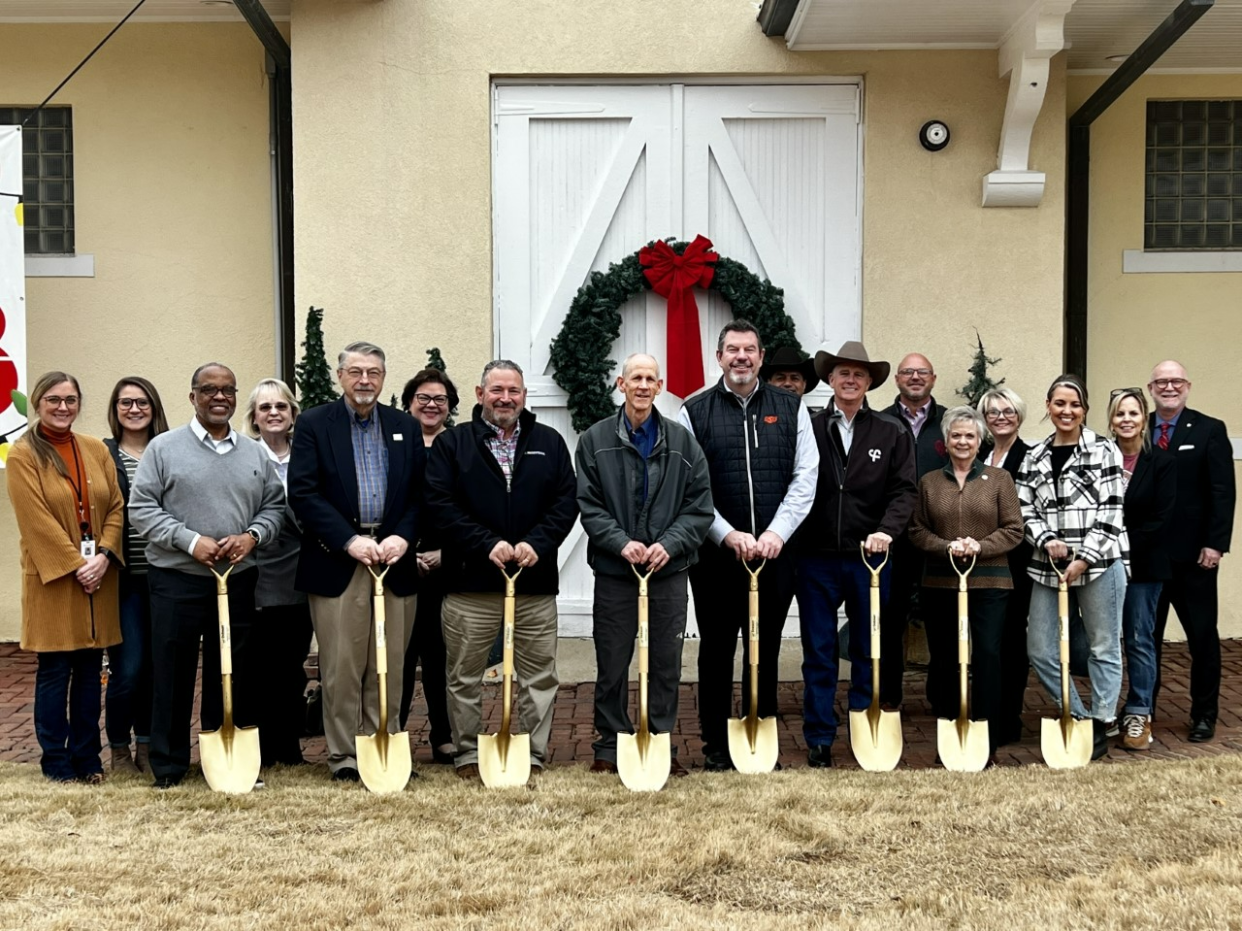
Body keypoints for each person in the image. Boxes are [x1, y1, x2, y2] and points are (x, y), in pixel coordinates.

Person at [129, 363, 284, 788]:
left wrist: (252, 536)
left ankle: (224, 760)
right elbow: (141, 510)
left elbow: (275, 508)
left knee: (231, 671)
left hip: (237, 578)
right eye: (209, 390)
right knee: (172, 671)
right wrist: (189, 540)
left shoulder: (255, 453)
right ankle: (169, 765)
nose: (219, 397)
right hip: (178, 578)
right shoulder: (164, 448)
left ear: (236, 397)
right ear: (193, 395)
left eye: (228, 390)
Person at [425, 360, 578, 781]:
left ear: (525, 396)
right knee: (464, 675)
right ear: (480, 394)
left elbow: (565, 501)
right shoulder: (453, 445)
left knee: (538, 676)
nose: (505, 398)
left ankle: (530, 753)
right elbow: (440, 505)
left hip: (533, 584)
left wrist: (537, 543)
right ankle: (469, 755)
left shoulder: (549, 441)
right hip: (469, 584)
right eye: (497, 390)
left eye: (513, 390)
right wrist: (485, 544)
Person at [677, 321, 818, 772]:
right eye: (732, 349)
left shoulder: (790, 407)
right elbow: (691, 487)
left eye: (750, 349)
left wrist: (777, 533)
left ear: (760, 358)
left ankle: (762, 730)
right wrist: (726, 534)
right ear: (718, 357)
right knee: (717, 647)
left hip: (775, 555)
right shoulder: (693, 411)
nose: (742, 356)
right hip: (718, 557)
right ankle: (717, 745)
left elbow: (805, 476)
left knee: (766, 646)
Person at [288, 342, 424, 783]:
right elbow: (304, 493)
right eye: (356, 372)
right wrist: (349, 541)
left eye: (373, 372)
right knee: (343, 664)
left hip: (394, 562)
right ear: (340, 376)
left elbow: (420, 494)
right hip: (339, 561)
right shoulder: (313, 424)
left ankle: (384, 741)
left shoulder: (404, 424)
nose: (365, 380)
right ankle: (345, 755)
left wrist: (403, 535)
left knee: (391, 663)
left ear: (384, 378)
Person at [575, 354, 713, 778]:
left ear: (660, 386)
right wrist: (622, 544)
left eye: (650, 379)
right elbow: (589, 506)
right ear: (621, 383)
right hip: (617, 572)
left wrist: (668, 545)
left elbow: (699, 508)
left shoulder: (683, 443)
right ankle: (610, 744)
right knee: (613, 659)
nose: (642, 385)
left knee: (666, 660)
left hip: (668, 572)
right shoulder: (594, 440)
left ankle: (658, 742)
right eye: (635, 377)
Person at [794, 342, 916, 767]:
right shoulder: (806, 425)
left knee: (869, 647)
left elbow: (904, 491)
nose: (850, 380)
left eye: (859, 375)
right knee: (820, 649)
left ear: (869, 383)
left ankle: (867, 726)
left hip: (871, 559)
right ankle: (820, 737)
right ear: (830, 379)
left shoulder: (890, 431)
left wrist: (886, 531)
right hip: (815, 557)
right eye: (843, 373)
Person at [6, 372, 125, 784]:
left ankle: (88, 757)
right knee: (56, 671)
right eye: (54, 400)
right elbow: (35, 520)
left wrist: (105, 556)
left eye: (71, 400)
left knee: (91, 672)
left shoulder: (95, 449)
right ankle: (56, 761)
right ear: (37, 404)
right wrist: (78, 565)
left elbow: (116, 508)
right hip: (54, 581)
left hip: (99, 578)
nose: (63, 407)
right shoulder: (22, 455)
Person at [1015, 374, 1127, 761]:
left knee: (1103, 645)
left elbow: (1112, 511)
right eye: (1059, 404)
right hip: (1048, 566)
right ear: (1048, 406)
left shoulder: (1104, 450)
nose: (1067, 411)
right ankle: (1078, 716)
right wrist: (1046, 540)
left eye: (1075, 405)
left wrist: (1084, 559)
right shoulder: (1034, 455)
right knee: (1041, 649)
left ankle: (1102, 719)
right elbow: (1024, 508)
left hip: (1100, 564)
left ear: (1085, 410)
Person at [909, 406, 1023, 762]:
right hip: (941, 582)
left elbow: (1014, 529)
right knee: (945, 656)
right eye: (956, 435)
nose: (963, 441)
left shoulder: (999, 479)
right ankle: (949, 724)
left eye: (969, 436)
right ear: (946, 441)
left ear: (980, 441)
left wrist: (980, 547)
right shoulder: (929, 483)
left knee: (987, 653)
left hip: (991, 580)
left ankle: (985, 729)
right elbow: (916, 530)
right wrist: (945, 547)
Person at [1147, 361, 1234, 743]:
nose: (1169, 387)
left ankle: (1204, 714)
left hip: (1196, 557)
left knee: (1202, 637)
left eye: (1176, 381)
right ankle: (1142, 711)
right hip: (1149, 557)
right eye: (1162, 382)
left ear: (1187, 386)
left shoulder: (1209, 430)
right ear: (1151, 388)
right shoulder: (1138, 427)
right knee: (1145, 639)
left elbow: (1222, 491)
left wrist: (1215, 544)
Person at [101, 375, 169, 775]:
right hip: (124, 579)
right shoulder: (103, 454)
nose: (134, 409)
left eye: (142, 402)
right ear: (115, 410)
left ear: (154, 407)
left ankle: (147, 746)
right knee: (128, 668)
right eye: (125, 403)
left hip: (165, 575)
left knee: (158, 668)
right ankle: (119, 749)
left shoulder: (168, 450)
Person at [244, 377, 314, 767]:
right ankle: (259, 748)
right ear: (254, 418)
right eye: (265, 407)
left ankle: (289, 746)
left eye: (281, 407)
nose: (273, 413)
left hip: (301, 573)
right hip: (258, 572)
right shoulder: (243, 456)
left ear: (292, 414)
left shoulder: (306, 455)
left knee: (292, 664)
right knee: (258, 665)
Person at [397, 368, 460, 765]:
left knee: (440, 656)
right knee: (399, 655)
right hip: (399, 563)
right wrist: (405, 553)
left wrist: (445, 554)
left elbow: (472, 508)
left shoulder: (460, 446)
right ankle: (393, 732)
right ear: (408, 403)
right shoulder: (394, 443)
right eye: (423, 398)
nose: (431, 405)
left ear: (451, 406)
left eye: (440, 399)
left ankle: (444, 735)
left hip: (447, 565)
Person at [1108, 387, 1175, 751]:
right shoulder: (1100, 458)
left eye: (1133, 413)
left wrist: (1116, 541)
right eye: (1120, 414)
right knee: (1100, 641)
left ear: (1144, 418)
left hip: (1144, 568)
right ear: (1111, 420)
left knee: (1138, 638)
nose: (1127, 420)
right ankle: (1103, 710)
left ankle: (1138, 711)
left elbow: (1161, 520)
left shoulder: (1161, 463)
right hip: (1100, 563)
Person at [881, 353, 949, 708]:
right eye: (908, 371)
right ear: (897, 379)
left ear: (934, 378)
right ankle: (889, 697)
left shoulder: (950, 422)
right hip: (895, 538)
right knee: (890, 619)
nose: (915, 377)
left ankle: (940, 697)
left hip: (938, 539)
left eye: (922, 372)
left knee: (940, 619)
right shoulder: (881, 422)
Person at [976, 387, 1034, 744]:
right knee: (986, 643)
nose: (1000, 417)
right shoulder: (977, 455)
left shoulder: (1030, 456)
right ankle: (985, 714)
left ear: (1019, 415)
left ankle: (1008, 718)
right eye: (993, 411)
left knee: (1012, 641)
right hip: (980, 562)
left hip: (1016, 560)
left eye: (1008, 411)